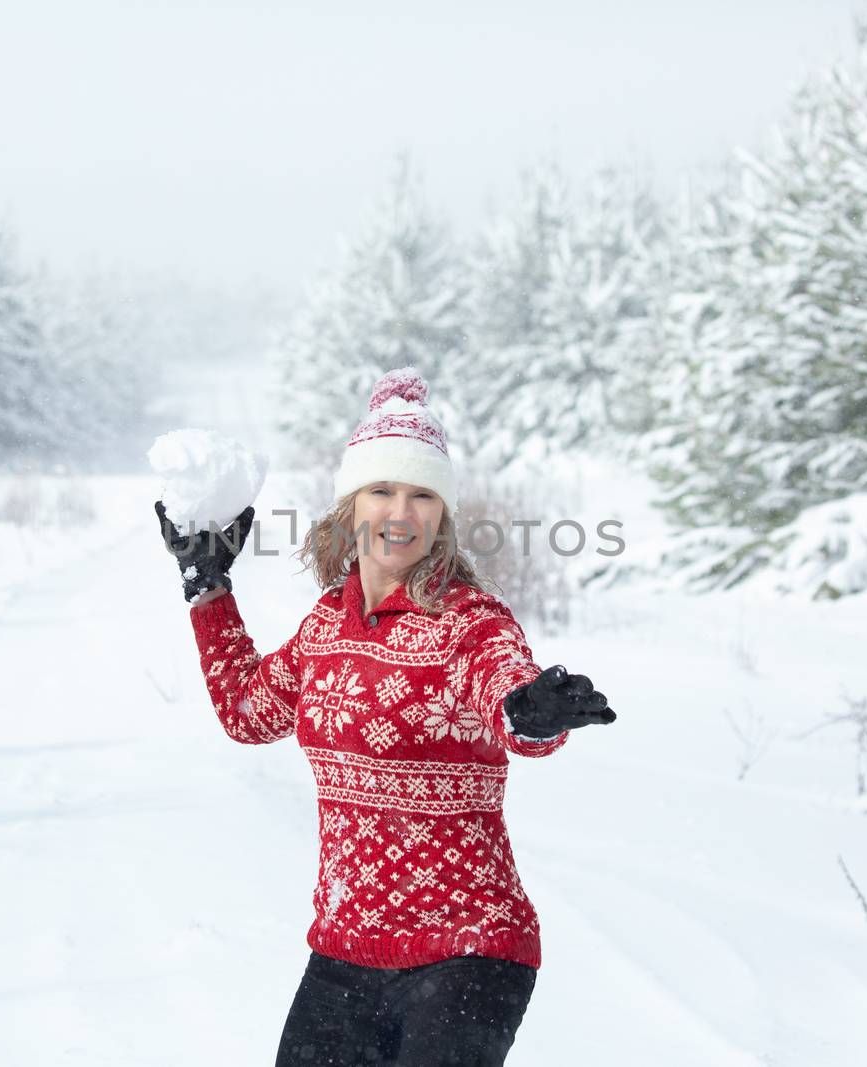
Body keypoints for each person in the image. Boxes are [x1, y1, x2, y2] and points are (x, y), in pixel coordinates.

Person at [155, 367, 615, 1066]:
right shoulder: (324, 629)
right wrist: (208, 588)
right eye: (381, 490)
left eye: (422, 494)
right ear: (351, 506)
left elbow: (503, 686)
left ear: (442, 515)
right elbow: (249, 712)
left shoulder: (468, 621)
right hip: (345, 949)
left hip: (469, 947)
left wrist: (530, 711)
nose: (400, 511)